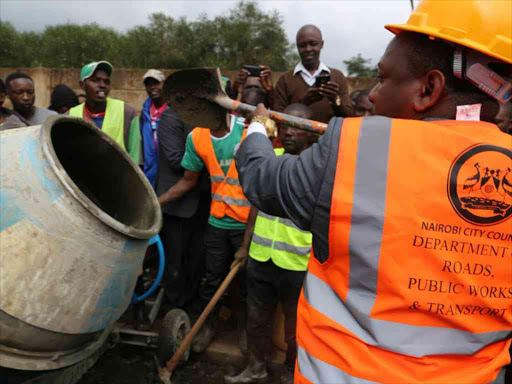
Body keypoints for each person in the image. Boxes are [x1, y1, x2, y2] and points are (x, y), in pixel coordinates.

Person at [235, 1, 512, 383]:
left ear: (429, 88)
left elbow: (260, 178)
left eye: (383, 79)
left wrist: (257, 129)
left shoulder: (353, 147)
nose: (375, 96)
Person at [225, 104, 314, 384]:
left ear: (310, 133)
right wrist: (245, 246)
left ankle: (291, 373)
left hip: (297, 262)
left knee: (295, 326)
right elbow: (255, 206)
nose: (288, 133)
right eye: (284, 126)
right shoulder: (269, 159)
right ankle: (256, 367)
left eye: (296, 128)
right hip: (262, 256)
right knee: (256, 319)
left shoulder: (314, 168)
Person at [158, 109, 254, 354]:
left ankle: (246, 331)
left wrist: (246, 241)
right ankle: (207, 326)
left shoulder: (247, 131)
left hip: (247, 224)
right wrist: (158, 201)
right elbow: (189, 180)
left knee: (246, 285)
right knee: (212, 279)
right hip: (217, 222)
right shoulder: (197, 137)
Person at [156, 106, 211, 309]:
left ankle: (187, 307)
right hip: (177, 204)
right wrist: (211, 160)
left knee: (197, 261)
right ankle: (172, 309)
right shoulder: (172, 117)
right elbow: (175, 159)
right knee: (174, 264)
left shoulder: (207, 118)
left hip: (204, 202)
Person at [272, 25, 352, 122]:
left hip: (329, 136)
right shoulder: (285, 79)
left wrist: (335, 99)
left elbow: (349, 116)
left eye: (313, 44)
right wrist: (302, 103)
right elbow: (277, 117)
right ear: (297, 46)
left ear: (321, 44)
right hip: (296, 137)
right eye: (302, 45)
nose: (308, 49)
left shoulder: (337, 76)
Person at [68, 61, 141, 163]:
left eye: (106, 81)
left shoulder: (127, 112)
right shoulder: (69, 116)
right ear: (82, 85)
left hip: (118, 178)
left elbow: (135, 157)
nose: (102, 85)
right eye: (95, 80)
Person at [140, 69, 167, 188]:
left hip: (168, 170)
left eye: (156, 83)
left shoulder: (174, 110)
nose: (152, 87)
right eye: (148, 84)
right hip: (150, 170)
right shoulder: (144, 112)